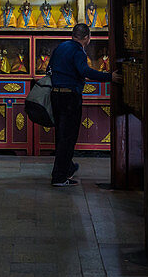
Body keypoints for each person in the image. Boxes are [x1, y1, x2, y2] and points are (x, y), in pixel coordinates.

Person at [48, 23, 121, 186]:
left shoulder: (61, 47)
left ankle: (66, 169)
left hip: (55, 95)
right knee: (68, 137)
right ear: (87, 38)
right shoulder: (78, 51)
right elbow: (85, 71)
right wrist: (109, 77)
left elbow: (49, 69)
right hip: (69, 98)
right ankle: (59, 177)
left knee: (61, 135)